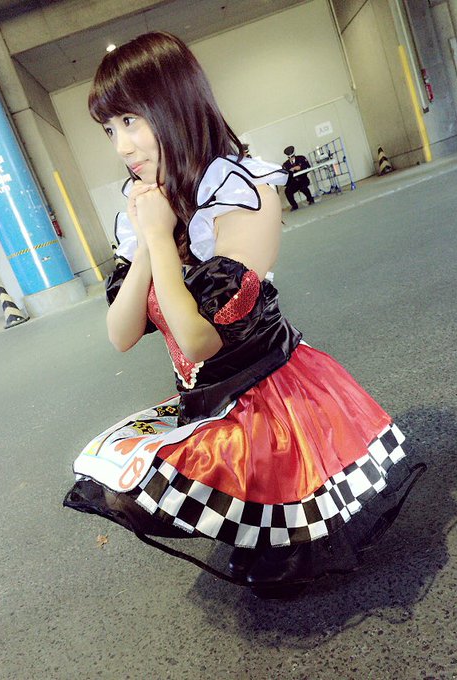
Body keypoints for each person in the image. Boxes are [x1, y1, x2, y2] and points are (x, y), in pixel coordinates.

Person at [64, 32, 423, 597]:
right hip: (205, 396)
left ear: (174, 105)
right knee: (119, 476)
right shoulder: (148, 202)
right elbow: (121, 334)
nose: (122, 146)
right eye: (110, 129)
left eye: (131, 121)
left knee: (288, 556)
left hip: (268, 397)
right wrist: (147, 240)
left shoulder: (241, 191)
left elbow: (199, 339)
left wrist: (158, 239)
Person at [282, 145, 315, 211]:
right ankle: (294, 206)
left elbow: (308, 167)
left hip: (303, 179)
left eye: (292, 157)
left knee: (303, 187)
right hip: (294, 182)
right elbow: (285, 175)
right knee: (287, 191)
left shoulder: (301, 158)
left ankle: (310, 199)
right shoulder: (286, 164)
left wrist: (300, 167)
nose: (291, 159)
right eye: (289, 157)